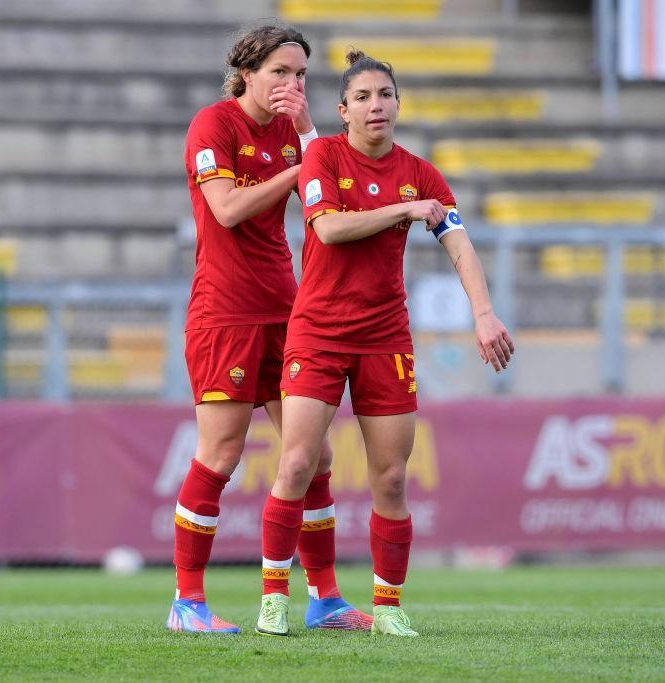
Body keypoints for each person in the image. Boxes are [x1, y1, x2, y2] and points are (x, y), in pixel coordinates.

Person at [255, 50, 515, 638]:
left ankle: (389, 606)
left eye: (386, 95)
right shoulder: (321, 154)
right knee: (297, 463)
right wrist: (403, 208)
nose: (377, 106)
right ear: (343, 110)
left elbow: (459, 244)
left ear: (399, 105)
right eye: (364, 97)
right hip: (318, 331)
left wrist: (484, 314)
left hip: (385, 335)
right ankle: (274, 594)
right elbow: (328, 228)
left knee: (392, 478)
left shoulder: (422, 173)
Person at [168, 25, 371, 634]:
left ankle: (325, 599)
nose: (291, 84)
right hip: (224, 312)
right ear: (247, 72)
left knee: (314, 454)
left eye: (301, 74)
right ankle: (187, 603)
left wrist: (309, 135)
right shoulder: (214, 124)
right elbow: (227, 210)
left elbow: (334, 187)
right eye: (280, 72)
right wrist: (303, 166)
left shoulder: (294, 132)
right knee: (223, 452)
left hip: (288, 310)